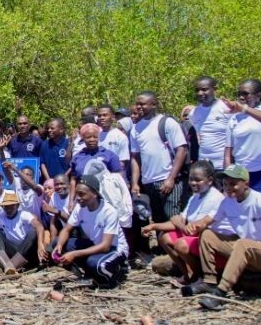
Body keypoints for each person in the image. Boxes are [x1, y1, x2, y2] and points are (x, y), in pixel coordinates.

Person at [183, 164, 261, 310]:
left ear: (246, 183)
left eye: (233, 184)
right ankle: (209, 281)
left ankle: (221, 292)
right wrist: (197, 225)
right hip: (248, 249)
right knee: (207, 234)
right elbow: (210, 219)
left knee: (243, 244)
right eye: (225, 184)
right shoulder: (227, 202)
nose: (228, 188)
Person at [141, 161, 232, 286]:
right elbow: (181, 221)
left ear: (210, 180)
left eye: (198, 180)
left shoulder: (214, 198)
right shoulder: (195, 197)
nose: (193, 183)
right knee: (164, 237)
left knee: (181, 244)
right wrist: (153, 226)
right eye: (191, 179)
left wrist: (178, 221)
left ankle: (202, 276)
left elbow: (191, 229)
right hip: (198, 239)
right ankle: (189, 274)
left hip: (213, 245)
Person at [52, 173, 129, 288]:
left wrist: (74, 254)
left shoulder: (109, 211)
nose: (78, 198)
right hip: (96, 245)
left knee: (94, 263)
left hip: (114, 249)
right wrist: (59, 245)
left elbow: (105, 246)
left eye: (82, 194)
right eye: (77, 194)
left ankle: (116, 273)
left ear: (94, 194)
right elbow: (67, 229)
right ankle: (88, 274)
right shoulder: (80, 207)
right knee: (57, 242)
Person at [130, 91, 189, 224]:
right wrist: (135, 183)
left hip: (167, 179)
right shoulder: (136, 128)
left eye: (143, 104)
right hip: (148, 182)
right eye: (137, 104)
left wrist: (171, 178)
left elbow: (181, 150)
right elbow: (135, 158)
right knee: (157, 219)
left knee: (172, 217)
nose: (139, 107)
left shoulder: (167, 122)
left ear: (154, 104)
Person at [0, 189, 46, 274]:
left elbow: (39, 226)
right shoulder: (1, 218)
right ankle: (7, 265)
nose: (9, 209)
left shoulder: (24, 214)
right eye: (6, 207)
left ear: (17, 206)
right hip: (14, 251)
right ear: (3, 207)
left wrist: (40, 244)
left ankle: (10, 266)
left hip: (28, 252)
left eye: (11, 206)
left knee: (33, 232)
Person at [188, 76, 230, 170]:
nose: (200, 93)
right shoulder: (193, 113)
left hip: (223, 165)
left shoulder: (226, 108)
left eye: (204, 89)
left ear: (214, 89)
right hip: (204, 166)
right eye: (197, 90)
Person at [96, 105, 130, 174]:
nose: (102, 118)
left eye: (105, 115)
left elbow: (122, 162)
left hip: (113, 175)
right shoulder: (96, 135)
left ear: (113, 117)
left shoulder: (120, 136)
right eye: (99, 116)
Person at [39, 118, 70, 182]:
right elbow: (42, 163)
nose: (49, 130)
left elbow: (72, 164)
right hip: (49, 182)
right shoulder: (44, 144)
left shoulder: (68, 144)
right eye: (48, 128)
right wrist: (48, 180)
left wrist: (63, 178)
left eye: (52, 128)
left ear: (61, 129)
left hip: (64, 182)